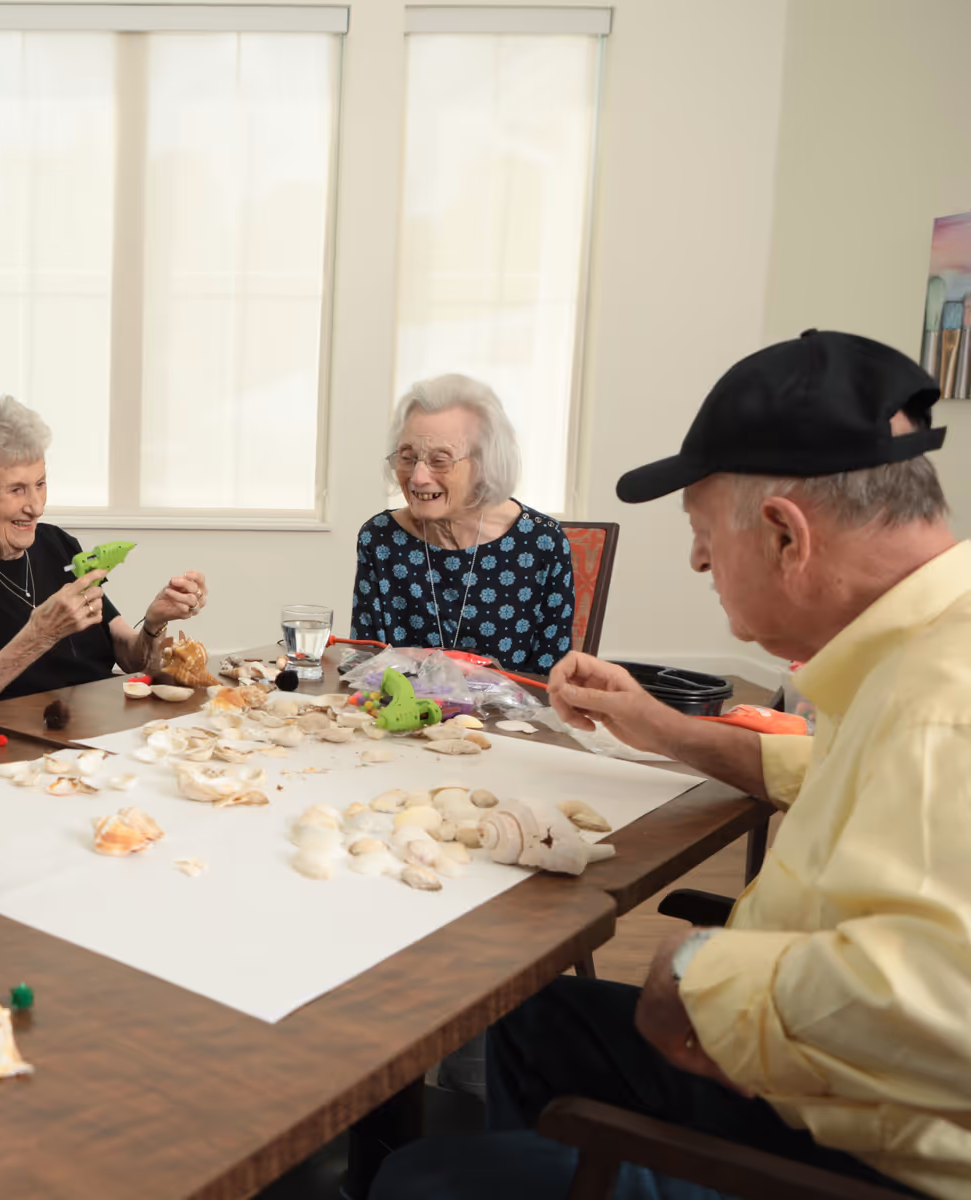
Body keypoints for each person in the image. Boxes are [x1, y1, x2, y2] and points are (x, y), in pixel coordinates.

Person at [375, 330, 963, 1200]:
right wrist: (659, 728)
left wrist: (695, 970)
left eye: (699, 533)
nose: (696, 561)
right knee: (537, 1022)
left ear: (783, 536)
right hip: (830, 1084)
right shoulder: (911, 652)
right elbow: (821, 773)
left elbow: (937, 1005)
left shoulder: (941, 702)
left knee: (419, 1177)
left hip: (855, 1153)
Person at [0, 394, 207, 728]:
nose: (36, 507)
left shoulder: (57, 543)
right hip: (20, 738)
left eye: (40, 484)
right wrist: (38, 636)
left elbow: (131, 657)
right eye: (16, 490)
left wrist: (152, 623)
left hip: (101, 721)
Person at [351, 375, 575, 673]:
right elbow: (366, 663)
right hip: (399, 714)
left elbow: (551, 678)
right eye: (408, 458)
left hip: (510, 719)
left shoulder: (540, 542)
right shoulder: (380, 537)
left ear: (485, 465)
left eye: (440, 460)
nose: (418, 478)